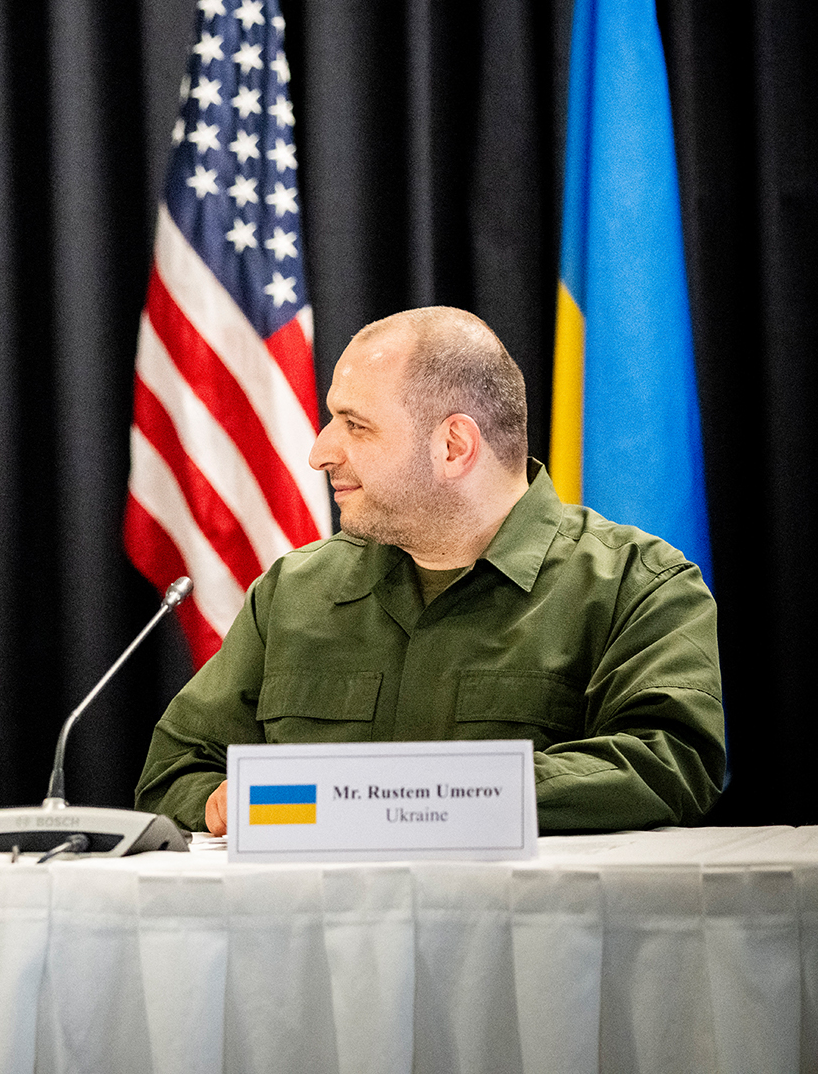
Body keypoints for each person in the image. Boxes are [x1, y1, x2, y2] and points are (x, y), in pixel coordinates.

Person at [136, 307, 724, 834]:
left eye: (356, 425)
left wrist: (405, 799)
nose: (319, 452)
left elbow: (667, 760)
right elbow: (174, 771)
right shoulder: (294, 592)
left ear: (453, 446)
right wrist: (222, 802)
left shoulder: (637, 586)